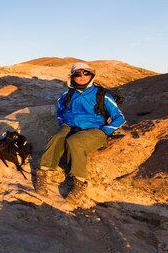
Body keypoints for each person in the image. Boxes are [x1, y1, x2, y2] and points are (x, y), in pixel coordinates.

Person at [34, 62, 125, 203]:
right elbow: (60, 110)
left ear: (91, 75)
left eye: (86, 73)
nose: (82, 76)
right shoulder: (67, 94)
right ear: (72, 77)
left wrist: (106, 130)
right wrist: (62, 123)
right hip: (69, 125)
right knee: (57, 137)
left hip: (94, 129)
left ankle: (79, 182)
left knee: (75, 142)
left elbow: (119, 117)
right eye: (77, 74)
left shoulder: (102, 94)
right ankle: (43, 172)